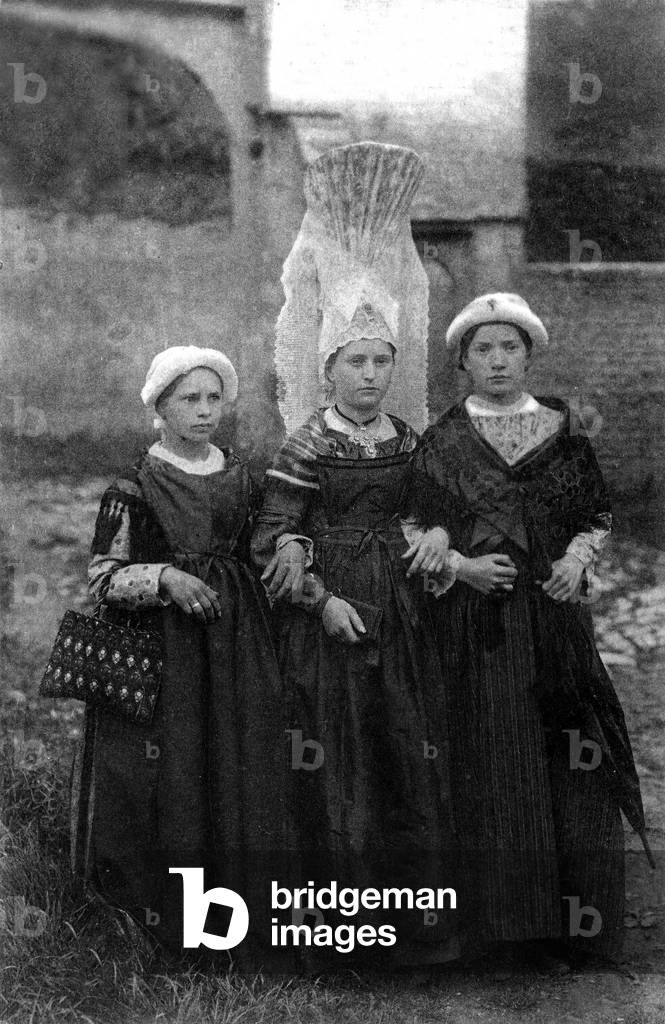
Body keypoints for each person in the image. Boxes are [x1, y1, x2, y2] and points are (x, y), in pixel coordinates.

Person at [251, 142, 457, 967]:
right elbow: (275, 533)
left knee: (404, 748)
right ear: (328, 365)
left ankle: (417, 933)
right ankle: (336, 934)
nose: (370, 376)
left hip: (400, 612)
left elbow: (432, 508)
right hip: (332, 610)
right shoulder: (307, 443)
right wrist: (317, 597)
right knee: (332, 756)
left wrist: (436, 538)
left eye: (382, 361)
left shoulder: (407, 439)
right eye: (355, 362)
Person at [403, 292, 652, 968]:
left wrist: (575, 561)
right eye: (481, 350)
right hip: (478, 626)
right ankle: (498, 931)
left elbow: (593, 513)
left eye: (508, 347)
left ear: (528, 354)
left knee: (570, 752)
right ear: (461, 361)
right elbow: (415, 523)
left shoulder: (562, 432)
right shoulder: (446, 439)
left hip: (552, 616)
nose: (496, 361)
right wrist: (459, 566)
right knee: (494, 753)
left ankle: (573, 930)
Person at [71, 345, 292, 963]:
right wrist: (165, 578)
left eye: (213, 398)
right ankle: (165, 928)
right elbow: (103, 576)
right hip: (164, 654)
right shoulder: (134, 484)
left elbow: (264, 548)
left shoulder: (244, 475)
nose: (203, 411)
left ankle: (238, 924)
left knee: (235, 766)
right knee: (174, 773)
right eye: (188, 399)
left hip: (235, 642)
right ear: (160, 407)